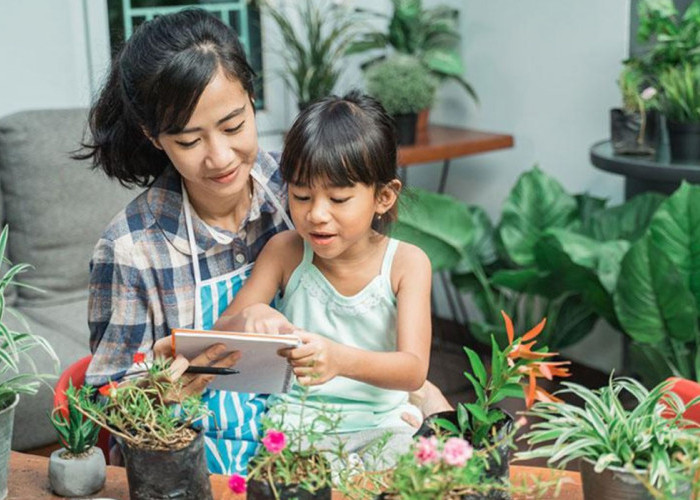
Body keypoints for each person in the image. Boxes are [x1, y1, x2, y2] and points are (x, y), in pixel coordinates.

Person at [78, 8, 451, 475]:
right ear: (154, 137)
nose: (220, 157)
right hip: (201, 463)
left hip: (315, 440)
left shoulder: (295, 184)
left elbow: (372, 314)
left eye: (233, 126)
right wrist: (165, 383)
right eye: (190, 141)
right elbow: (106, 404)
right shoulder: (132, 249)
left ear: (251, 99)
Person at [220, 92, 432, 469]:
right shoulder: (285, 252)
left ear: (383, 196)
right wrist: (250, 317)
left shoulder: (406, 264)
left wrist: (339, 360)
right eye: (301, 196)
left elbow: (413, 369)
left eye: (338, 199)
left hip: (381, 427)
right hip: (294, 430)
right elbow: (222, 332)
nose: (316, 214)